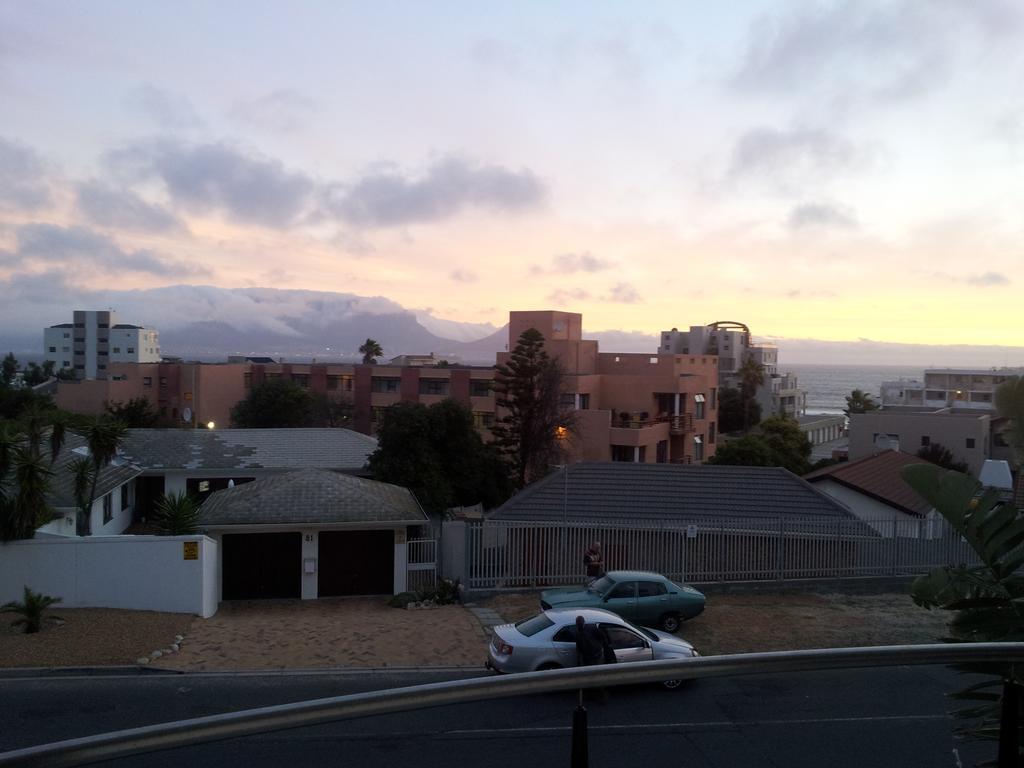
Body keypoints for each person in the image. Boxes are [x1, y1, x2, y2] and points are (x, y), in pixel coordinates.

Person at [575, 615, 615, 703]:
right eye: (578, 624)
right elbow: (578, 647)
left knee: (598, 676)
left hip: (597, 656)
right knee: (591, 677)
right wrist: (579, 659)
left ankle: (602, 696)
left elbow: (602, 636)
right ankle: (595, 695)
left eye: (579, 623)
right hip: (587, 658)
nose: (579, 625)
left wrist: (603, 646)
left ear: (583, 622)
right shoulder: (578, 632)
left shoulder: (591, 628)